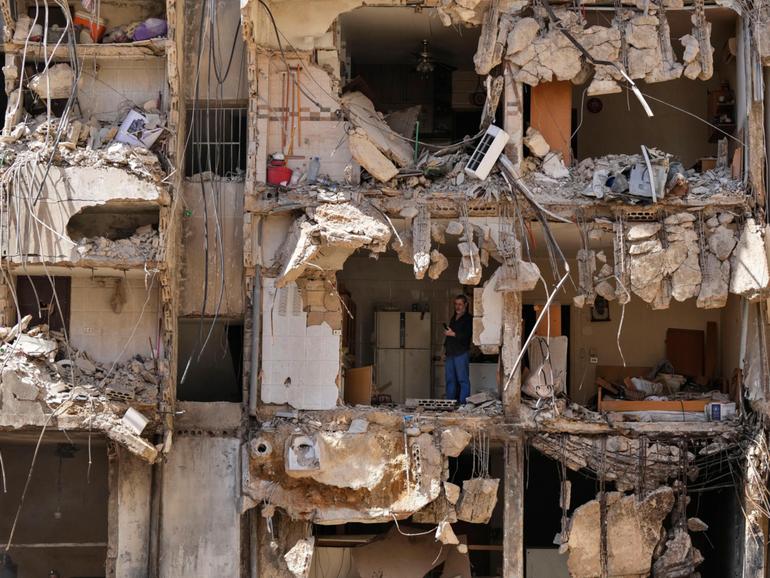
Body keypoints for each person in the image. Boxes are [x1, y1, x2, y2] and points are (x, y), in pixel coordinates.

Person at [444, 294, 472, 404]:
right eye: (456, 304)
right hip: (450, 353)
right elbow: (449, 337)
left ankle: (463, 404)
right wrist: (444, 351)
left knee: (463, 380)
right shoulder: (453, 317)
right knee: (450, 380)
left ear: (465, 304)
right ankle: (450, 403)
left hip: (461, 353)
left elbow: (467, 335)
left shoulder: (468, 319)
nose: (457, 307)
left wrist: (453, 334)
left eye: (460, 304)